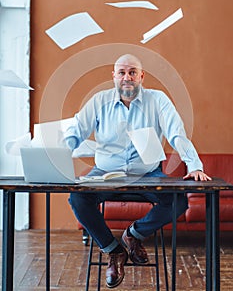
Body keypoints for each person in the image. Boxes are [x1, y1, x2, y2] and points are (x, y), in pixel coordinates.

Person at [64, 54, 211, 288]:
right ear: (113, 76)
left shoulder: (158, 100)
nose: (127, 77)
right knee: (78, 198)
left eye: (132, 72)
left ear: (142, 76)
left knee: (178, 201)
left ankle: (133, 235)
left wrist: (194, 165)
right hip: (104, 173)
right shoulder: (98, 101)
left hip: (148, 174)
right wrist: (56, 158)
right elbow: (75, 132)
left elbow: (176, 133)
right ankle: (114, 251)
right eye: (121, 72)